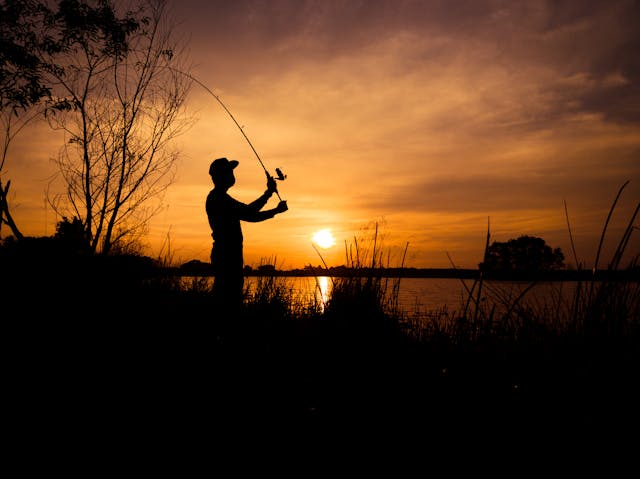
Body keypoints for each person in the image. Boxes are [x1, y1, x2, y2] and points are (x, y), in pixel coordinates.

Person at [206, 157, 288, 311]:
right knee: (228, 301)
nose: (232, 174)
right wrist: (273, 204)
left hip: (228, 255)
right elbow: (250, 214)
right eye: (229, 171)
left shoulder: (219, 197)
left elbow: (249, 213)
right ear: (221, 175)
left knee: (228, 299)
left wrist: (269, 194)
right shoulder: (218, 198)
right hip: (226, 256)